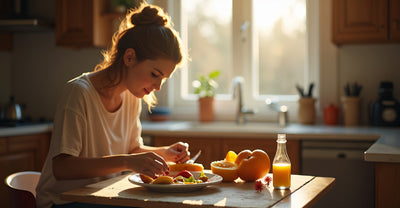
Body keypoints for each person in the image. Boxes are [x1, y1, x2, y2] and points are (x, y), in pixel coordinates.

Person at [36, 3, 189, 208]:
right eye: (155, 74)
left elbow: (132, 150)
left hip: (102, 197)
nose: (158, 87)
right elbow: (62, 168)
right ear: (129, 57)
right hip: (64, 201)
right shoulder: (79, 93)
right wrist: (127, 162)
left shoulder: (132, 97)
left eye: (164, 79)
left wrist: (165, 152)